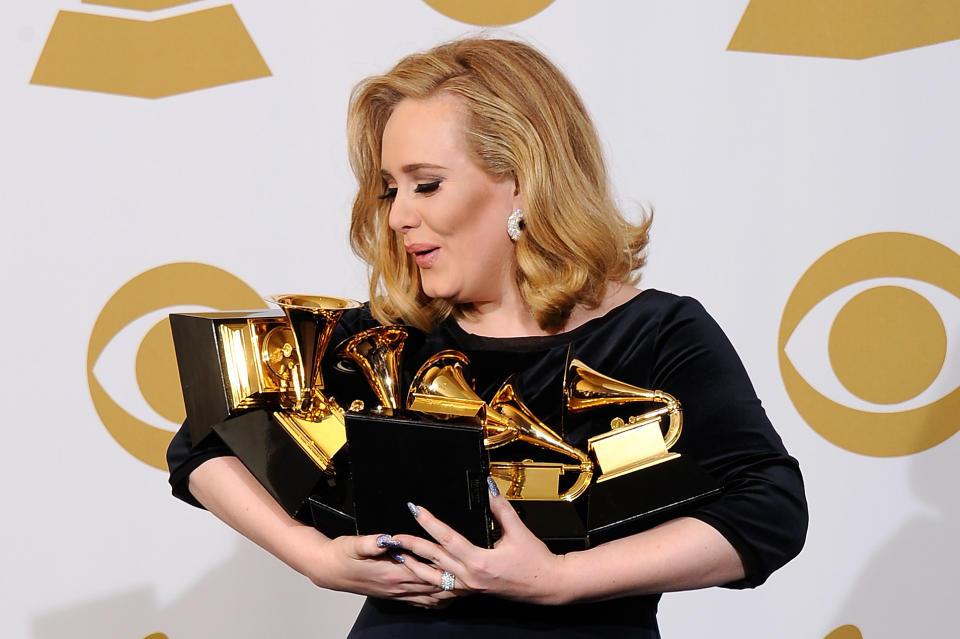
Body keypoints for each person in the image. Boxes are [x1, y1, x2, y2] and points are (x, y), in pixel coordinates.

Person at [167, 37, 807, 637]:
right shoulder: (383, 339)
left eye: (427, 184)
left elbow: (768, 511)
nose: (397, 216)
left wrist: (559, 580)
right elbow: (202, 440)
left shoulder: (658, 334)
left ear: (523, 181)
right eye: (391, 189)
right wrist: (315, 558)